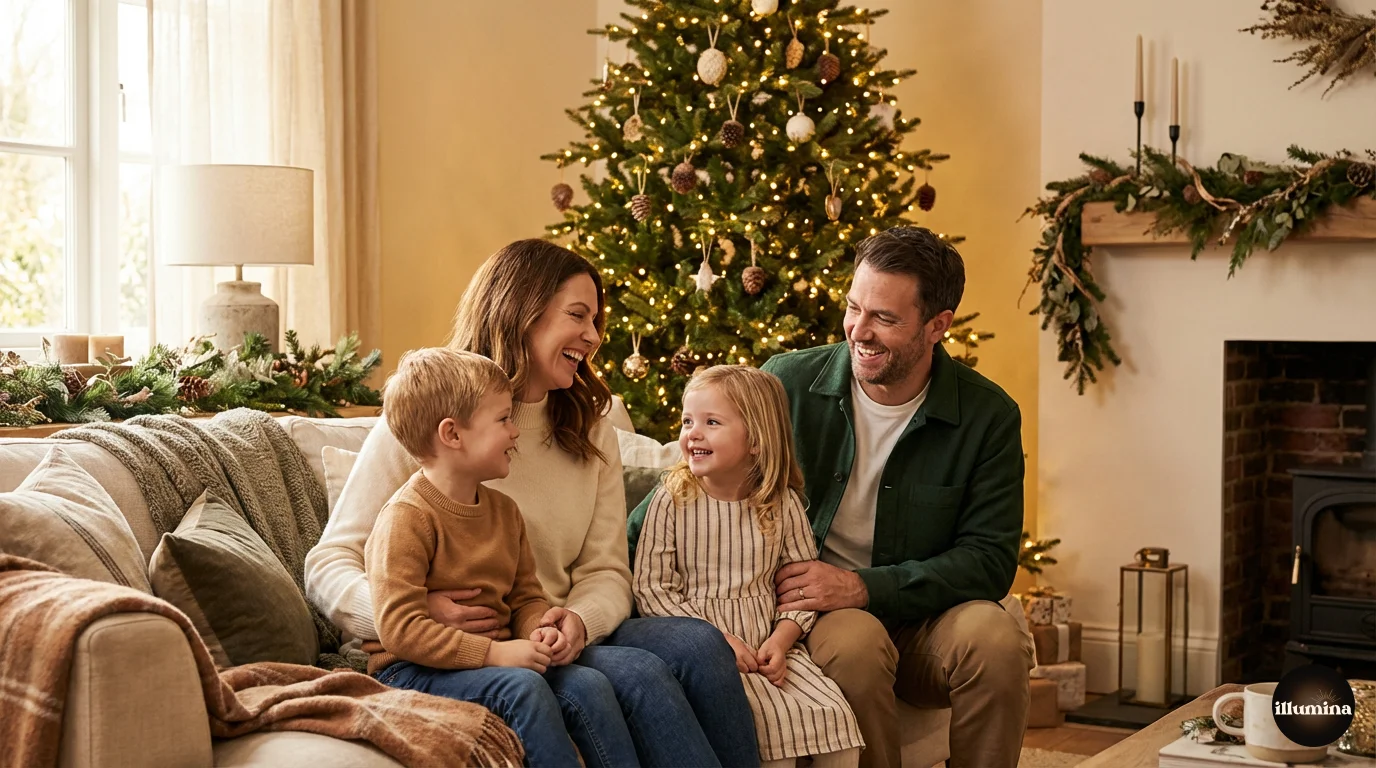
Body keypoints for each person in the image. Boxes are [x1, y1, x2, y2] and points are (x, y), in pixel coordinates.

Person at [307, 239, 759, 767]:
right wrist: (402, 611)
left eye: (596, 319)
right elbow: (327, 563)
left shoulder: (592, 424)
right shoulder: (429, 420)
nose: (593, 336)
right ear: (521, 313)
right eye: (578, 316)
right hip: (466, 643)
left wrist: (578, 621)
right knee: (636, 676)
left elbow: (606, 569)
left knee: (702, 646)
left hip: (548, 625)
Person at [365, 347, 637, 766]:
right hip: (410, 669)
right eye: (503, 419)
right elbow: (399, 630)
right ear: (452, 434)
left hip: (491, 658)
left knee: (590, 685)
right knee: (522, 688)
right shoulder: (407, 517)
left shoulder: (505, 513)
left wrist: (538, 631)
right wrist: (493, 655)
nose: (515, 432)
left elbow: (526, 597)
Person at [633, 366, 863, 768]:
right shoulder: (672, 499)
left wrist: (782, 639)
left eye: (711, 422)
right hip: (708, 654)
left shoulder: (782, 503)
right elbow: (652, 591)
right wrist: (719, 641)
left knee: (837, 723)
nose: (693, 433)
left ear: (756, 440)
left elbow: (801, 588)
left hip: (771, 647)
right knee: (775, 743)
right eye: (688, 421)